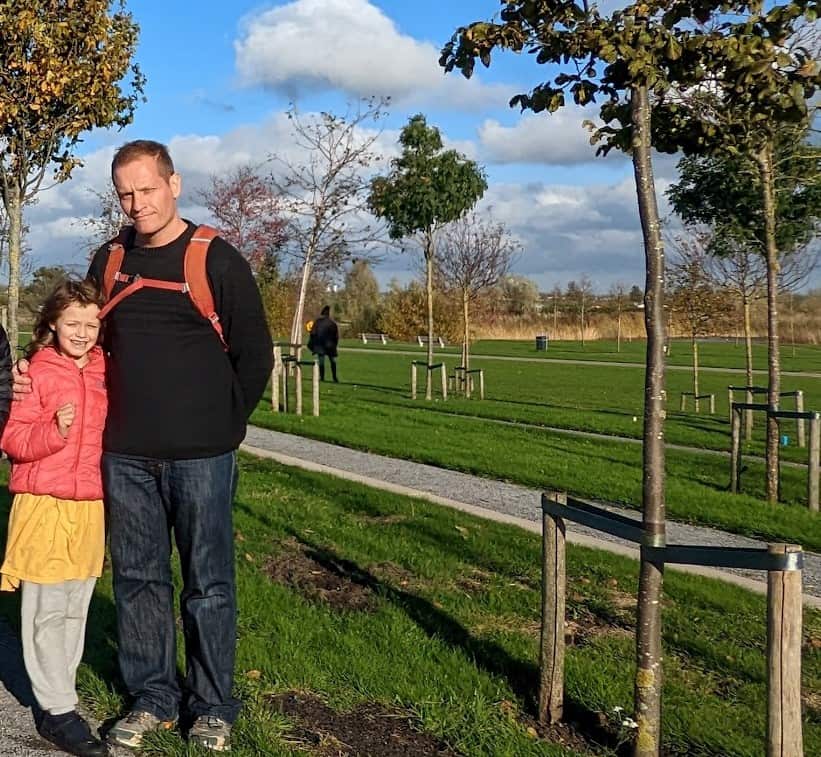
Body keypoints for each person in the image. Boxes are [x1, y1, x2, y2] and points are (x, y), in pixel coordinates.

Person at [14, 140, 273, 752]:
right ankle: (152, 697)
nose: (137, 204)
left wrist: (224, 427)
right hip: (124, 456)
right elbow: (78, 334)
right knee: (138, 580)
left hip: (202, 456)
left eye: (147, 189)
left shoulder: (214, 259)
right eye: (125, 194)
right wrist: (34, 371)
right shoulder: (110, 259)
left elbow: (255, 354)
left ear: (174, 184)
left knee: (208, 584)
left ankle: (212, 706)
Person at [1, 280, 108, 757]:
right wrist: (53, 430)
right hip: (43, 502)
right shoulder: (37, 372)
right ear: (52, 324)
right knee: (46, 610)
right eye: (72, 323)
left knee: (75, 608)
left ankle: (62, 697)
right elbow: (12, 439)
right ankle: (57, 710)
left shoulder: (106, 371)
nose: (82, 333)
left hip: (90, 505)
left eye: (91, 324)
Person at [308, 305, 339, 382]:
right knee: (333, 361)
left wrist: (313, 344)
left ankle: (322, 377)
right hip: (330, 345)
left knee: (321, 362)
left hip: (320, 345)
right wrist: (335, 345)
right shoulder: (332, 323)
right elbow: (336, 336)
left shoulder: (317, 322)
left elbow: (312, 333)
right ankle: (334, 377)